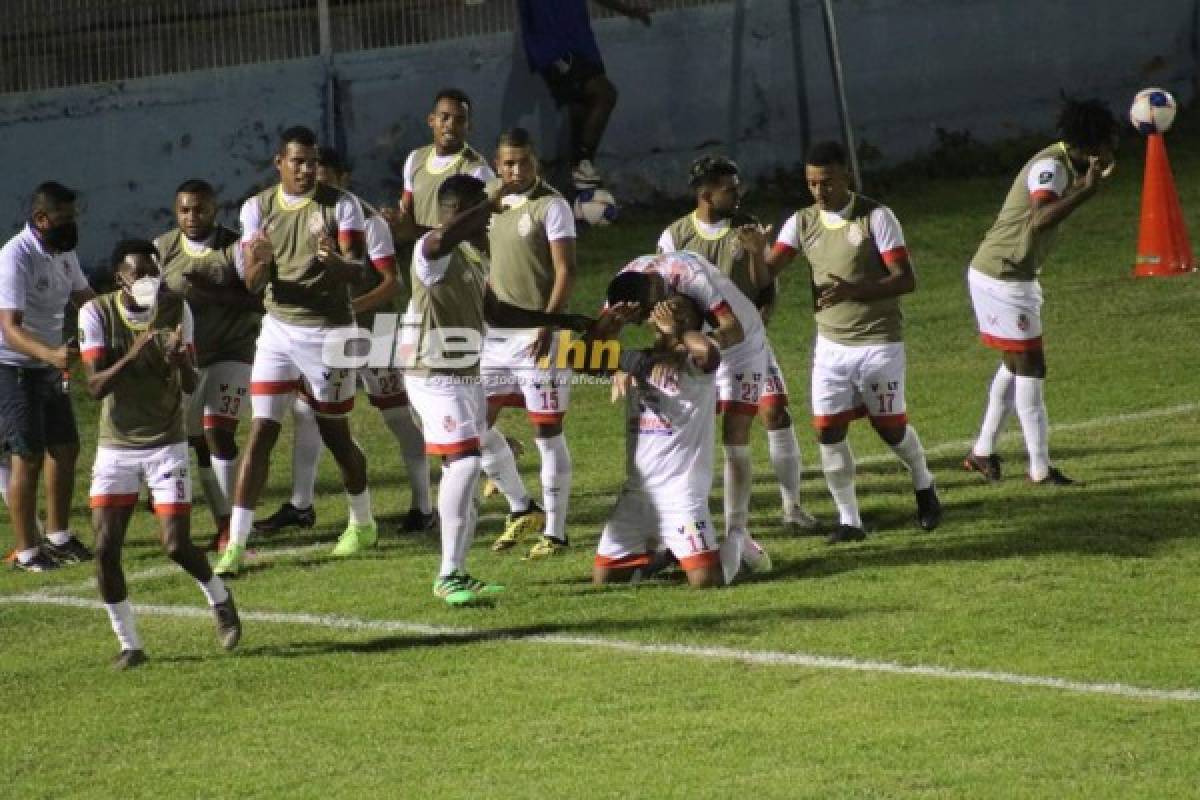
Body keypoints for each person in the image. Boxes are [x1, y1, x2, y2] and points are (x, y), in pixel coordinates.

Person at [215, 125, 375, 576]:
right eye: (297, 161)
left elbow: (360, 273)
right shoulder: (257, 208)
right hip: (279, 330)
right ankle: (236, 542)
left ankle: (362, 522)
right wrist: (260, 260)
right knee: (262, 429)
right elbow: (251, 284)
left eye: (312, 161)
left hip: (329, 333)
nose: (306, 169)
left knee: (335, 433)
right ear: (279, 163)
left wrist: (334, 260)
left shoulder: (341, 205)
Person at [255, 148, 436, 536]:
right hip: (326, 334)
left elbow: (392, 283)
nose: (316, 182)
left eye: (324, 175)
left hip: (376, 331)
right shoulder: (297, 215)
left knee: (398, 417)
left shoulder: (368, 221)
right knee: (307, 415)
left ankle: (423, 505)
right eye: (310, 172)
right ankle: (302, 504)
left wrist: (349, 308)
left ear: (343, 179)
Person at [767, 140, 941, 543]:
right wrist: (753, 253)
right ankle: (850, 521)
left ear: (846, 175)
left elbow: (905, 278)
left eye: (826, 182)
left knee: (890, 428)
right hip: (830, 346)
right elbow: (768, 269)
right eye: (811, 183)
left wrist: (853, 290)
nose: (819, 191)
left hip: (879, 341)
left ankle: (924, 483)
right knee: (827, 431)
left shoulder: (876, 217)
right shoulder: (802, 222)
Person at [78, 238, 240, 670]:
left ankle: (220, 599)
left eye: (154, 271)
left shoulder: (176, 308)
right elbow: (94, 387)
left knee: (175, 545)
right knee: (106, 548)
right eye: (139, 273)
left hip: (166, 442)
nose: (149, 280)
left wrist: (178, 360)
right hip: (116, 446)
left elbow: (189, 385)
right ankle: (129, 643)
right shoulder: (96, 313)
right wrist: (135, 353)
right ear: (120, 279)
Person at [658, 155, 818, 532]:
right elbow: (668, 290)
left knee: (775, 412)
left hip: (748, 343)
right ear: (706, 195)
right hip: (704, 347)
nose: (738, 194)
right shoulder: (675, 236)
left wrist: (755, 252)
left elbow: (764, 285)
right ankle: (687, 523)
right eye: (729, 189)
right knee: (692, 433)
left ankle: (791, 507)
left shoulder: (746, 227)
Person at [963, 98, 1118, 486]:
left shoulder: (1064, 163)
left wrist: (1083, 184)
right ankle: (1040, 469)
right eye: (1110, 142)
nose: (1114, 149)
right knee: (1031, 367)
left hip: (1005, 272)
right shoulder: (1050, 168)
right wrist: (1086, 191)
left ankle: (982, 452)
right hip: (1003, 277)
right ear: (1093, 145)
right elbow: (1039, 220)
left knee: (1014, 366)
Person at [601, 249, 772, 559]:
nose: (641, 324)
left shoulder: (691, 277)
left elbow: (732, 328)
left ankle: (738, 532)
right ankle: (671, 537)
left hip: (738, 341)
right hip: (684, 339)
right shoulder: (625, 286)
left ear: (653, 300)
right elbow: (598, 338)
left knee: (735, 436)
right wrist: (615, 363)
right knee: (672, 424)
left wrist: (684, 352)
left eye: (642, 317)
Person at [403, 174, 507, 606]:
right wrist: (495, 201)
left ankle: (458, 571)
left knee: (460, 468)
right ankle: (447, 574)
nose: (487, 222)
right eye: (478, 211)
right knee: (465, 464)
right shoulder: (432, 251)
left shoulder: (471, 256)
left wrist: (564, 322)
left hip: (465, 373)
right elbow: (441, 238)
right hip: (434, 373)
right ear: (459, 209)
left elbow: (498, 312)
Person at [482, 128, 577, 559]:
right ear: (497, 164)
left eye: (522, 162)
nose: (514, 170)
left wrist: (548, 322)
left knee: (546, 431)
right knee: (473, 424)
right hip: (494, 337)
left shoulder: (552, 206)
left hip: (539, 336)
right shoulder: (491, 202)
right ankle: (523, 506)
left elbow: (565, 271)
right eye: (507, 163)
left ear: (535, 162)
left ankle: (556, 532)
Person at [155, 180, 262, 551]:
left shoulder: (233, 246)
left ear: (214, 209)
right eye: (185, 210)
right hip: (189, 358)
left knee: (218, 432)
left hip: (233, 351)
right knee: (197, 441)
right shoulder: (163, 249)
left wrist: (210, 293)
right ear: (176, 211)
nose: (192, 217)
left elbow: (258, 300)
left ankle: (236, 525)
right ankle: (223, 521)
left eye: (200, 209)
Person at [0, 181, 95, 572]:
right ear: (41, 219)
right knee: (28, 456)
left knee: (65, 447)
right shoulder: (14, 256)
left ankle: (58, 534)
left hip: (49, 365)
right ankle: (27, 550)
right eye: (64, 218)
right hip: (14, 366)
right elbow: (9, 327)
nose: (71, 224)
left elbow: (85, 297)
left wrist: (121, 316)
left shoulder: (64, 251)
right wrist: (51, 353)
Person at [515, 0, 651, 189]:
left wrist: (630, 10)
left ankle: (576, 186)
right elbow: (528, 18)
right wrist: (542, 57)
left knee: (580, 112)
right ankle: (583, 164)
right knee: (606, 94)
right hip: (557, 51)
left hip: (583, 45)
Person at [388, 89, 495, 244]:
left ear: (469, 126)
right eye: (444, 117)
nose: (451, 125)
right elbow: (405, 212)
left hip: (459, 265)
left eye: (459, 120)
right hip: (421, 261)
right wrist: (394, 220)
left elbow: (477, 232)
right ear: (431, 120)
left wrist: (414, 231)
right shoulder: (415, 158)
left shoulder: (477, 171)